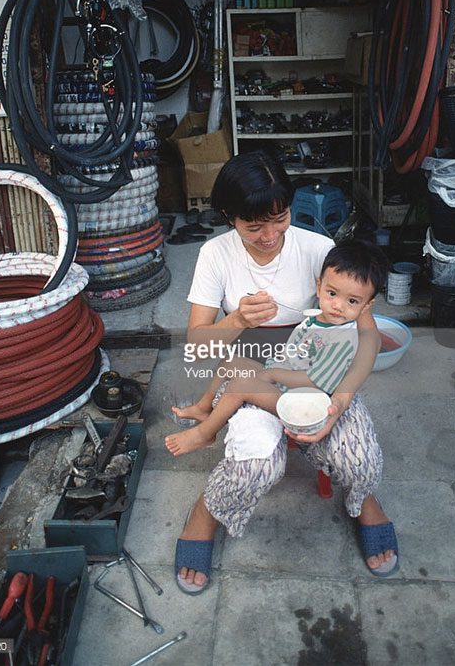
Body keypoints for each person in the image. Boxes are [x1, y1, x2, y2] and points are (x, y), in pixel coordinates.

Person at [174, 150, 399, 596]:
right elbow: (198, 347)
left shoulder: (319, 250)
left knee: (359, 458)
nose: (269, 235)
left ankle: (362, 499)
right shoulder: (214, 255)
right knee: (256, 464)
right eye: (253, 226)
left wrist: (342, 401)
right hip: (254, 375)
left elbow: (367, 338)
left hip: (321, 378)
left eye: (279, 219)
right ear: (228, 216)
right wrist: (237, 320)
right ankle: (206, 509)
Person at [165, 241, 385, 457]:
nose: (338, 305)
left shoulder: (342, 339)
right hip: (284, 376)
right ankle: (204, 407)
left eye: (353, 301)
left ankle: (205, 433)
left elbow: (317, 381)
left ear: (366, 306)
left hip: (302, 397)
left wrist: (273, 373)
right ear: (319, 287)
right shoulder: (317, 319)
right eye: (332, 294)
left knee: (241, 385)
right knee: (231, 362)